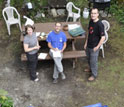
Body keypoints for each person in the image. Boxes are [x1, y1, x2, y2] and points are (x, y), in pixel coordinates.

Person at [84, 8, 105, 81]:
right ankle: (90, 69)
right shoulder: (91, 21)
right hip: (88, 45)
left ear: (98, 14)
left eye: (95, 13)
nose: (93, 15)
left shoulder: (100, 24)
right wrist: (86, 43)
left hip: (94, 46)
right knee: (88, 58)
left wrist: (97, 47)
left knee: (93, 61)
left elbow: (103, 37)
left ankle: (94, 74)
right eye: (92, 13)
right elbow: (89, 33)